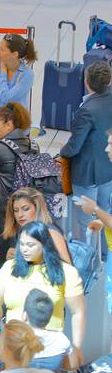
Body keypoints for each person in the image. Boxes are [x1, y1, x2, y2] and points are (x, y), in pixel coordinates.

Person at [0, 221, 85, 367]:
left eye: (31, 245)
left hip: (50, 349)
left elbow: (78, 312)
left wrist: (76, 348)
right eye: (22, 244)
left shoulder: (67, 272)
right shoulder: (10, 268)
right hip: (14, 347)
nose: (24, 250)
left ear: (44, 244)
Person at [60, 61, 112, 250]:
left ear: (87, 81)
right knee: (104, 215)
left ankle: (86, 261)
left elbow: (74, 147)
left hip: (86, 173)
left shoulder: (86, 110)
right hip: (107, 169)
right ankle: (105, 256)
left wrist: (62, 152)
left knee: (84, 222)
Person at [0, 101, 40, 253]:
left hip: (4, 213)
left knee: (3, 258)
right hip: (29, 208)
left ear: (9, 124)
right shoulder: (33, 145)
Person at [2, 187, 71, 264]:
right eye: (16, 210)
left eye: (25, 209)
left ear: (37, 208)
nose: (20, 215)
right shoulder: (21, 231)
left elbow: (68, 268)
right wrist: (12, 259)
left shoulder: (51, 232)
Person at [23, 290, 74, 373]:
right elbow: (71, 366)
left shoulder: (14, 339)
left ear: (25, 316)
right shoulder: (60, 339)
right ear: (49, 318)